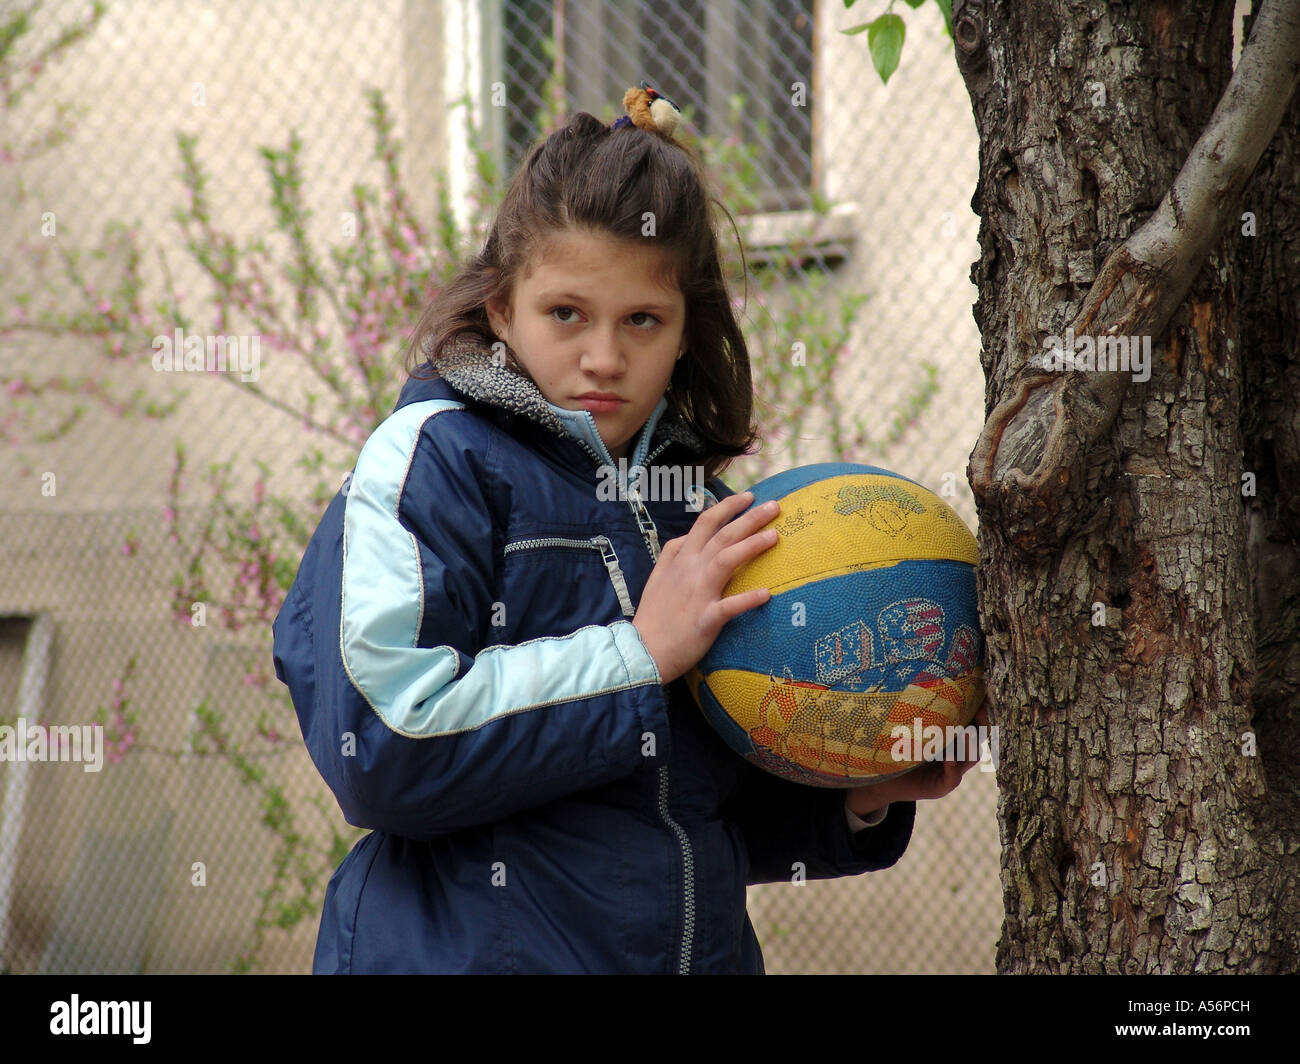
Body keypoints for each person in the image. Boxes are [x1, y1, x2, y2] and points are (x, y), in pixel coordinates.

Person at [272, 84, 983, 974]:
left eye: (643, 320)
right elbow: (383, 744)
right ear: (501, 308)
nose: (604, 357)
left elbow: (689, 807)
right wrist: (637, 656)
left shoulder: (697, 510)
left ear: (686, 331)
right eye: (566, 313)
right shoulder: (430, 463)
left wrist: (856, 790)